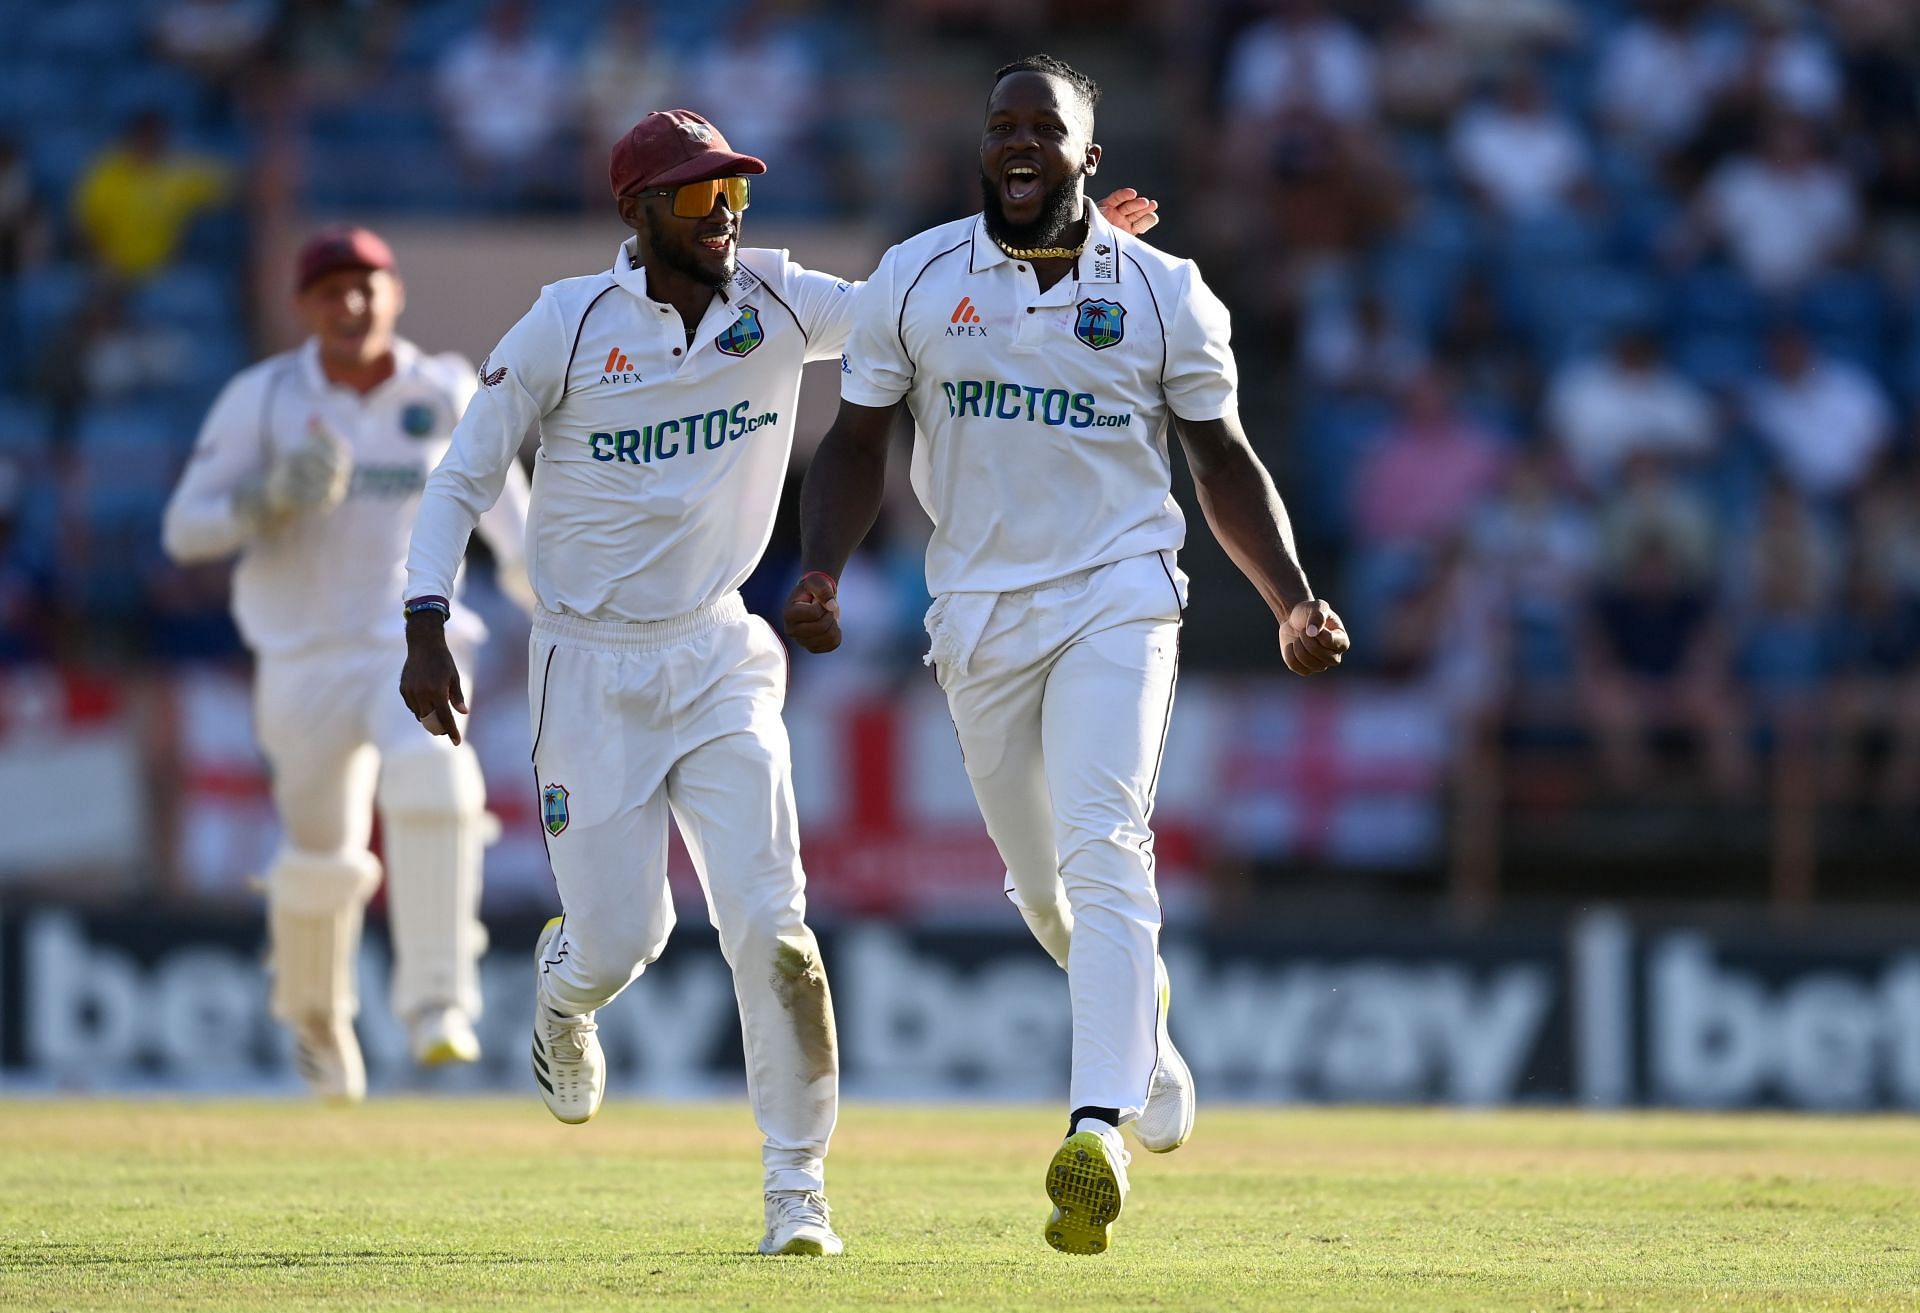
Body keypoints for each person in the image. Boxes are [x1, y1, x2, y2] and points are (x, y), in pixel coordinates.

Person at [398, 108, 1161, 1258]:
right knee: (622, 942)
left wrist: (1052, 241)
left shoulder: (779, 297)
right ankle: (561, 992)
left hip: (718, 654)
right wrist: (424, 617)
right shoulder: (567, 323)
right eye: (701, 200)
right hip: (586, 662)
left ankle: (796, 1187)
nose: (728, 218)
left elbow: (922, 310)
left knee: (775, 927)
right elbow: (460, 477)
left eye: (737, 196)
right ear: (638, 210)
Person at [782, 55, 1349, 1256]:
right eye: (1004, 126)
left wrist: (1293, 598)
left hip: (1118, 595)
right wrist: (822, 564)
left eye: (1049, 126)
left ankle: (1092, 1130)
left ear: (1092, 153)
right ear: (985, 148)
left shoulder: (1163, 290)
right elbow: (856, 439)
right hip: (977, 613)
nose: (1021, 141)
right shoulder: (917, 277)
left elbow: (1222, 461)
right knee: (1046, 894)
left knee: (1107, 839)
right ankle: (1143, 1037)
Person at [162, 227, 530, 1101]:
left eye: (366, 287)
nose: (351, 305)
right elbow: (184, 530)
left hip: (413, 648)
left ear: (394, 295)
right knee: (321, 854)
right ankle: (316, 1017)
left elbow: (516, 528)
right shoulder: (265, 398)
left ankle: (440, 1001)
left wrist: (562, 610)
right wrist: (263, 500)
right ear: (305, 307)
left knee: (437, 788)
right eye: (331, 291)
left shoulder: (442, 390)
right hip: (299, 658)